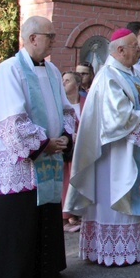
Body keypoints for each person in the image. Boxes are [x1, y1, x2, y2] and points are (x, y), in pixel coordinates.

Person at [0, 16, 75, 278]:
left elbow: (67, 110)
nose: (54, 40)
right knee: (19, 218)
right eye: (51, 36)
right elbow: (10, 118)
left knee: (45, 214)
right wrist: (43, 143)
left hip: (48, 155)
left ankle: (44, 272)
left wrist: (65, 136)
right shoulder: (9, 70)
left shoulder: (54, 71)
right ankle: (15, 277)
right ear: (33, 38)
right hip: (21, 162)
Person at [65, 28, 140, 266]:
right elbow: (116, 117)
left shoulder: (134, 73)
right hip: (115, 153)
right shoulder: (108, 76)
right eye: (134, 47)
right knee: (117, 192)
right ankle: (112, 250)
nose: (139, 50)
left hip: (137, 148)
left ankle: (134, 247)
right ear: (119, 50)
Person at [61, 71, 86, 232]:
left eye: (67, 81)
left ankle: (81, 212)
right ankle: (68, 215)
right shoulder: (61, 104)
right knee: (67, 181)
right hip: (69, 150)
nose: (63, 83)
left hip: (84, 149)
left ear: (77, 84)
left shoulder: (86, 101)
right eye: (63, 81)